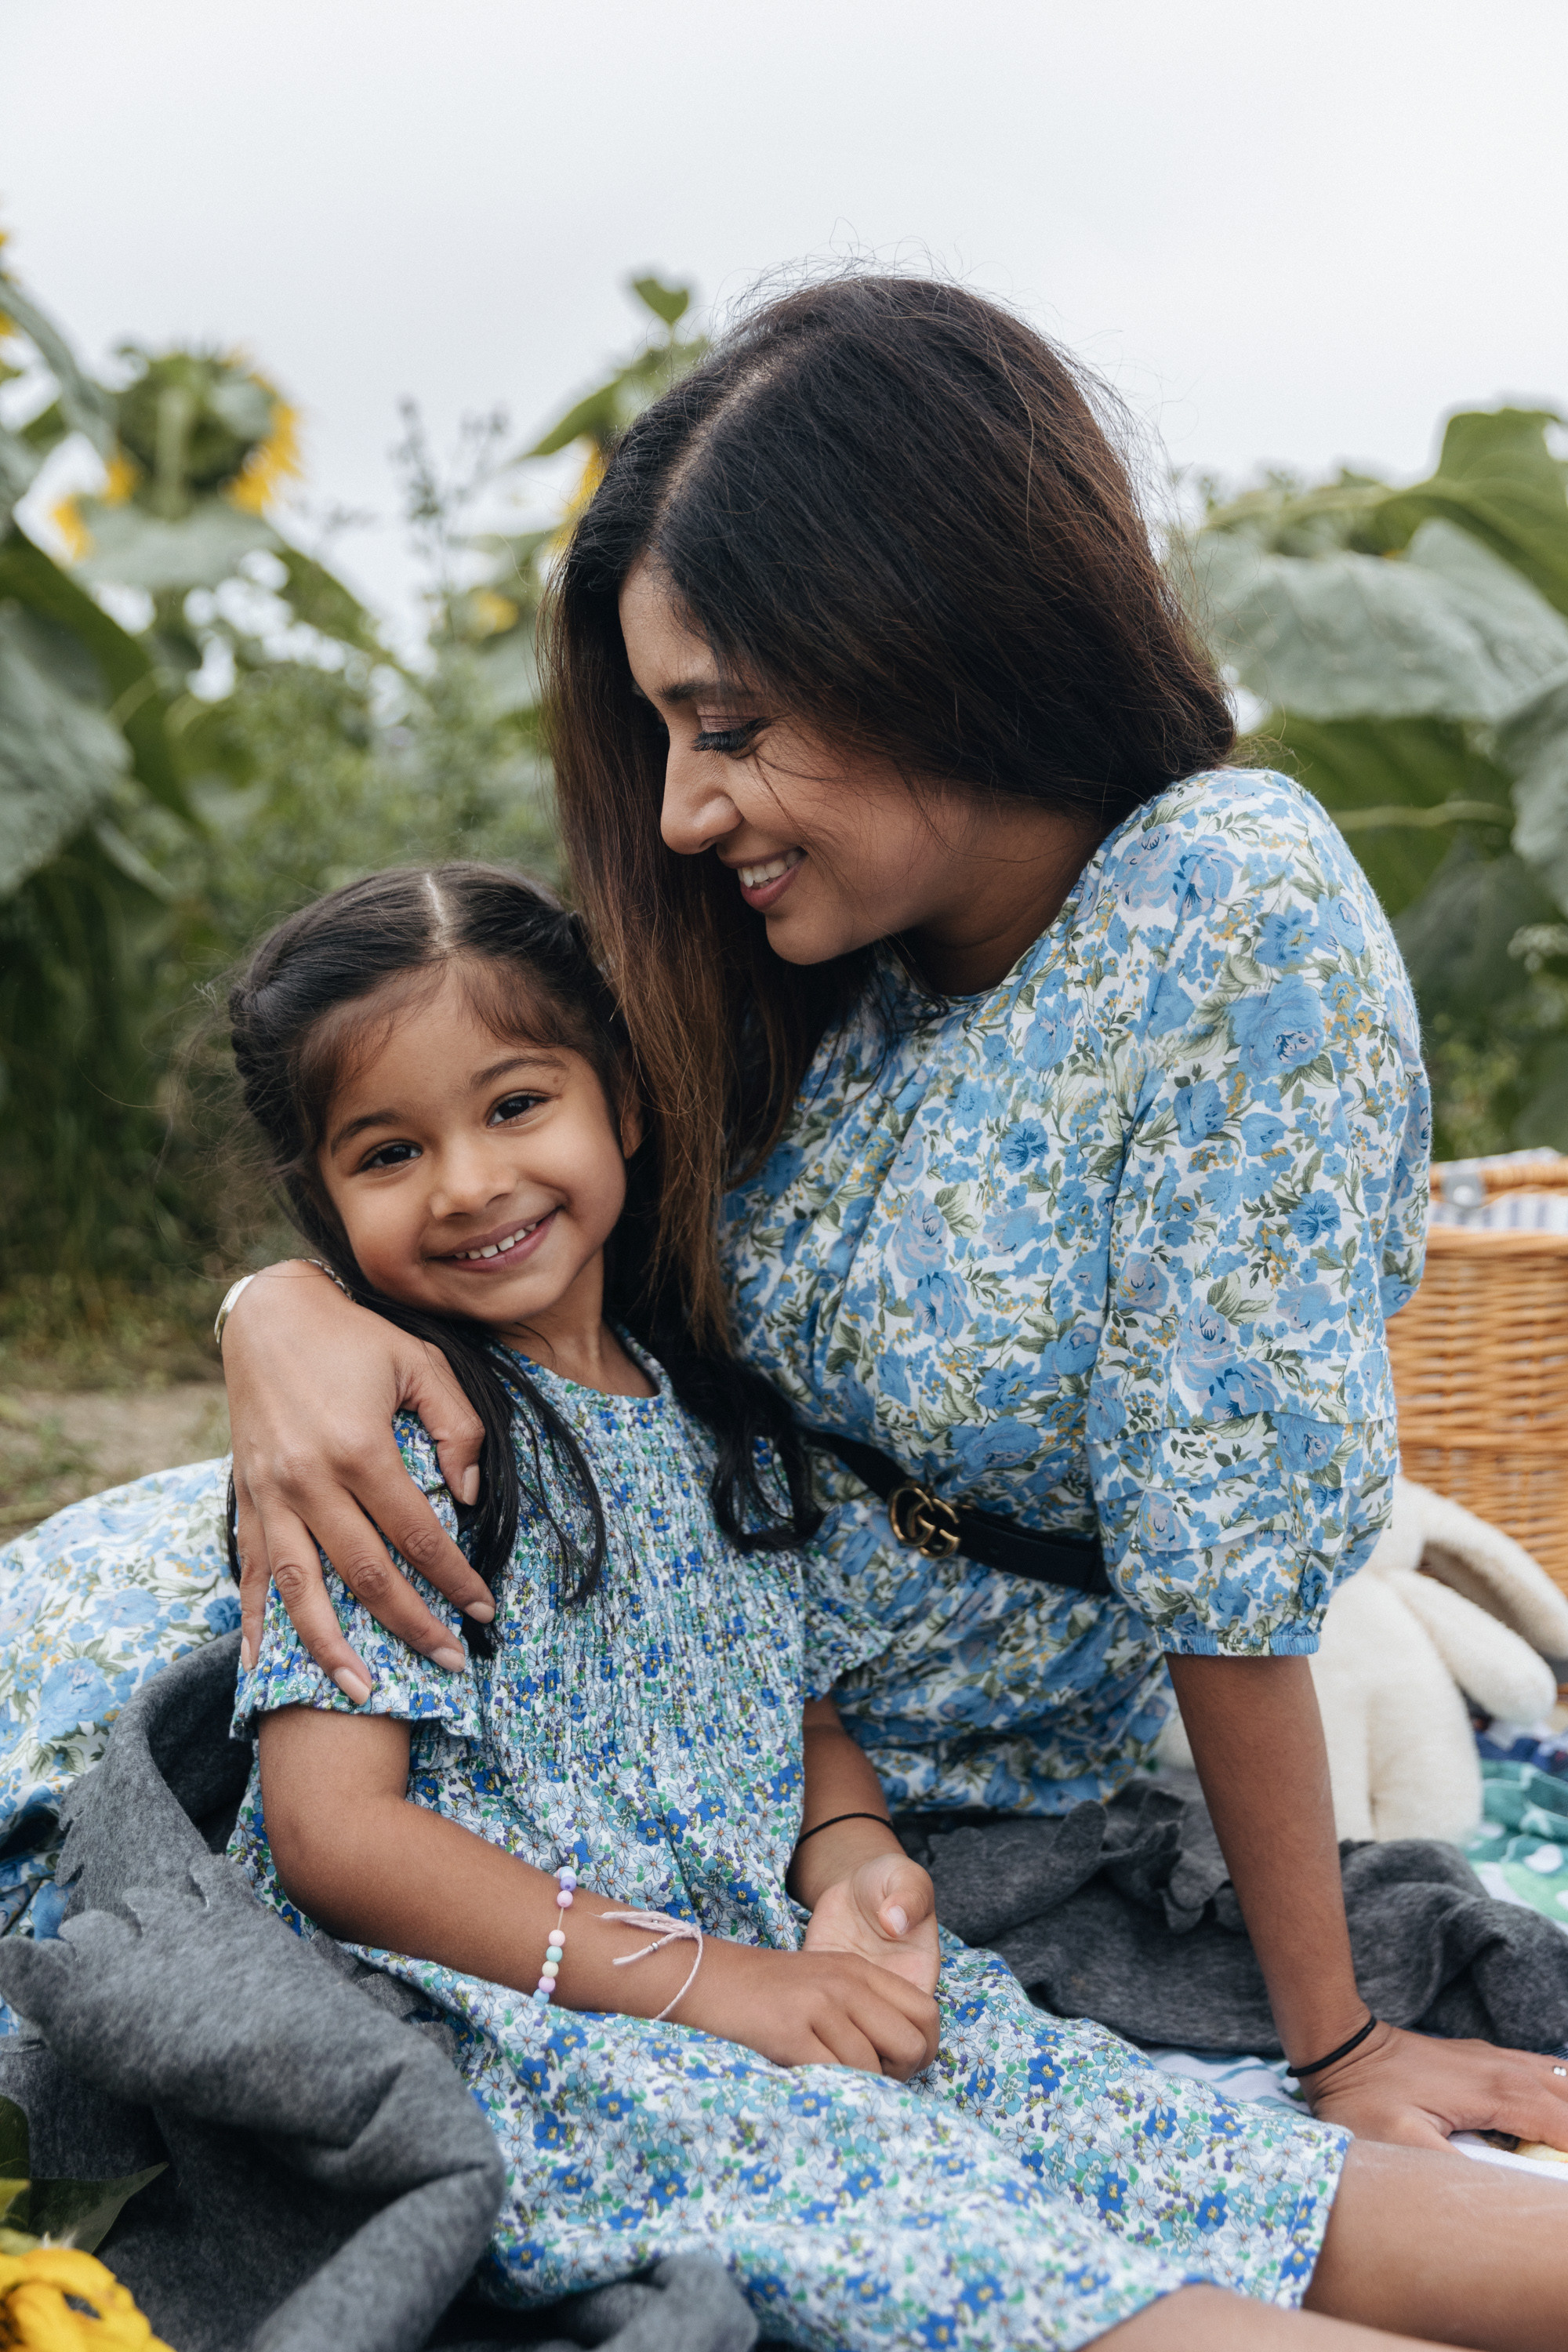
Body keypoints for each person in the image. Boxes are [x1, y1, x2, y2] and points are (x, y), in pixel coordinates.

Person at [216, 274, 1568, 2163]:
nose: (683, 809)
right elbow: (483, 1159)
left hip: (854, 1794)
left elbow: (1226, 1556)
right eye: (666, 733)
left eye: (730, 725)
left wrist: (1331, 2040)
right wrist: (271, 1309)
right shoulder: (795, 948)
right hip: (550, 1653)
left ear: (932, 641)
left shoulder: (1225, 915)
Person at [212, 859, 1568, 2352]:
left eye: (517, 1105)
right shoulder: (399, 1441)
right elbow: (336, 1835)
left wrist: (855, 1865)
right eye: (390, 1151)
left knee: (1140, 2135)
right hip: (538, 2019)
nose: (469, 1181)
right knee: (931, 2225)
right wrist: (721, 1987)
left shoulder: (710, 1413)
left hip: (763, 1963)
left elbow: (783, 1705)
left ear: (628, 1105)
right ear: (324, 1204)